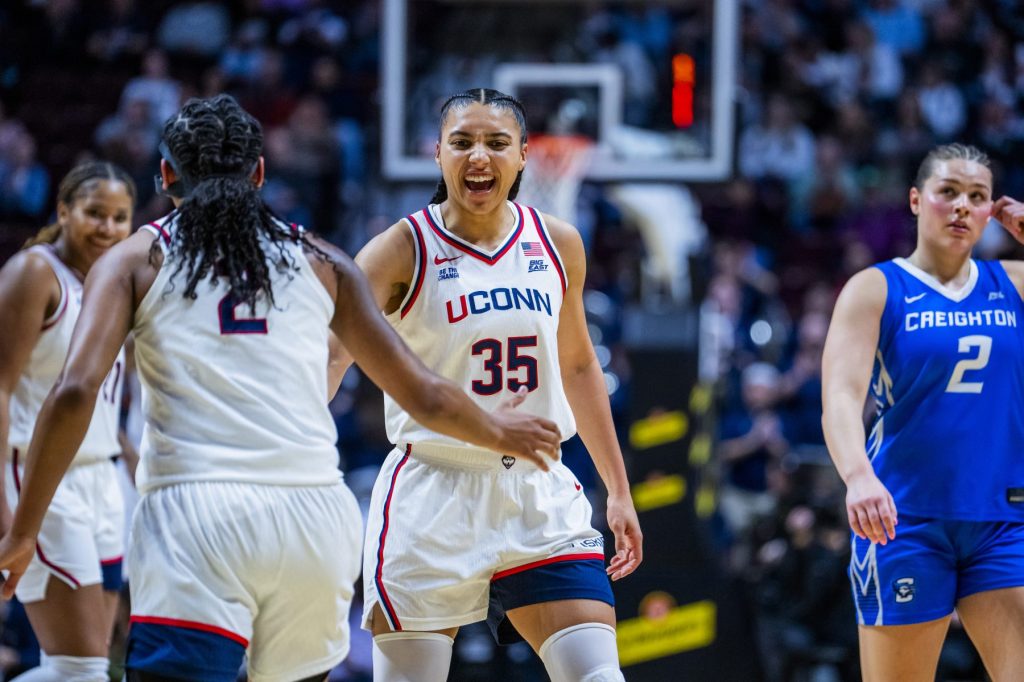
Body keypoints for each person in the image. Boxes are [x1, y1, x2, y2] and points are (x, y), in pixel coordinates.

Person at [0, 94, 561, 682]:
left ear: (166, 176)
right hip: (315, 515)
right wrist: (501, 430)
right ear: (260, 173)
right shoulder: (323, 258)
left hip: (199, 510)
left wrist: (22, 530)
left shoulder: (141, 254)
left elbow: (73, 392)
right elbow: (423, 393)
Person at [351, 88, 643, 682]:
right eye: (462, 142)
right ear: (437, 154)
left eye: (495, 143)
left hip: (537, 489)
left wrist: (617, 488)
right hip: (432, 490)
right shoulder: (400, 249)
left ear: (524, 156)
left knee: (598, 676)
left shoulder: (558, 242)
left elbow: (580, 366)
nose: (478, 156)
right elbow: (331, 354)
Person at [821, 143, 1024, 681]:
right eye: (948, 192)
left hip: (1003, 519)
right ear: (916, 200)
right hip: (902, 518)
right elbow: (840, 396)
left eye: (977, 196)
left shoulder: (1016, 283)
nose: (962, 206)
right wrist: (857, 476)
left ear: (991, 211)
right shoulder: (876, 288)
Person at [0, 161, 136, 682]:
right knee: (79, 670)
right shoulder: (34, 272)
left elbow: (97, 399)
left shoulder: (109, 284)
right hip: (42, 479)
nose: (107, 228)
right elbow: (2, 388)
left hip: (104, 481)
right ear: (64, 211)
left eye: (120, 217)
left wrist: (128, 453)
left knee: (93, 668)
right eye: (94, 213)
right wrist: (7, 508)